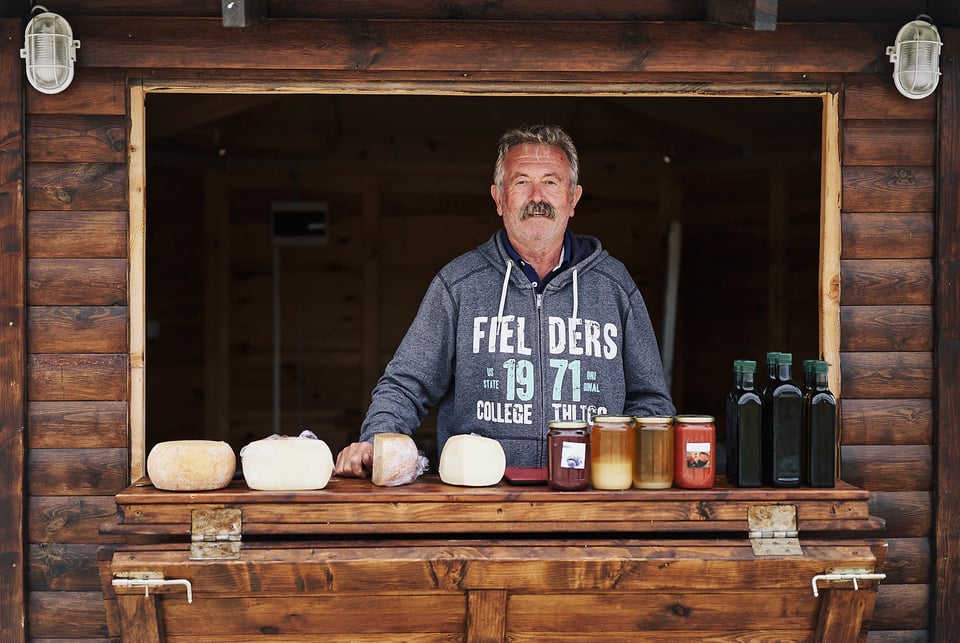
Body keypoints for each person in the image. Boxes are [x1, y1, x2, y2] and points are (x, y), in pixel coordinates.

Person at [335, 124, 675, 477]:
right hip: (481, 503)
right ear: (499, 198)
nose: (537, 197)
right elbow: (406, 384)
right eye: (522, 182)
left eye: (552, 182)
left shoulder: (614, 285)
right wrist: (376, 440)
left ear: (573, 198)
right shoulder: (459, 284)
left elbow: (650, 402)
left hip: (591, 500)